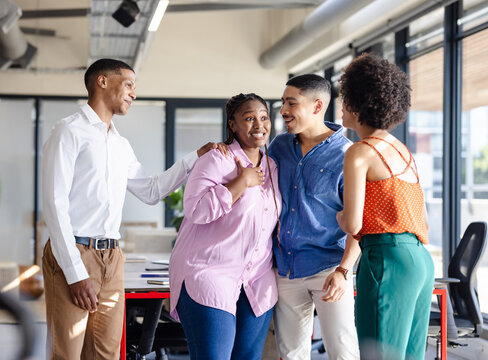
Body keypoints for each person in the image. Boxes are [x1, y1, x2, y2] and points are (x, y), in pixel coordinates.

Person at [41, 58, 223, 360]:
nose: (133, 94)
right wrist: (74, 273)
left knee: (107, 353)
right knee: (67, 353)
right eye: (129, 84)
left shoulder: (119, 144)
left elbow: (151, 191)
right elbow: (54, 203)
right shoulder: (68, 131)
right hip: (74, 252)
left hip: (111, 257)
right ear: (102, 81)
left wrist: (194, 158)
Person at [168, 93, 281, 359]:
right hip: (209, 274)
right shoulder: (216, 160)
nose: (259, 125)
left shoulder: (273, 166)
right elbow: (195, 210)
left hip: (257, 280)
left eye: (264, 118)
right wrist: (240, 183)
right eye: (249, 118)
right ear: (232, 124)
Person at [336, 53, 435, 359]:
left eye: (343, 97)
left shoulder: (360, 152)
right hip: (419, 260)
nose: (340, 105)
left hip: (386, 260)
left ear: (356, 102)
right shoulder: (402, 149)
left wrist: (337, 214)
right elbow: (423, 221)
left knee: (379, 354)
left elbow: (352, 225)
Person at [268, 74, 360, 360]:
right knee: (291, 353)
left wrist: (344, 271)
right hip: (285, 267)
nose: (283, 110)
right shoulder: (279, 147)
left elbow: (359, 223)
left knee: (342, 351)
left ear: (317, 106)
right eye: (283, 102)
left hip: (329, 268)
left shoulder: (347, 155)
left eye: (291, 103)